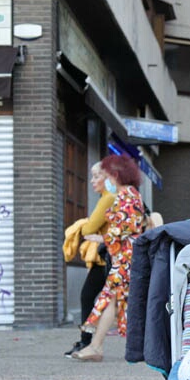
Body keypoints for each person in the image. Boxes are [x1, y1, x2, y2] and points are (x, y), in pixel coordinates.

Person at [71, 155, 148, 362]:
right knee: (115, 300)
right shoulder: (131, 194)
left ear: (114, 176)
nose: (103, 180)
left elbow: (126, 227)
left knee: (110, 299)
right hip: (125, 256)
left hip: (124, 256)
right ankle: (97, 346)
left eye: (104, 175)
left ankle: (96, 346)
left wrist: (102, 237)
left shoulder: (126, 196)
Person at [64, 162, 115, 358]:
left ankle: (88, 343)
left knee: (90, 298)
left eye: (96, 177)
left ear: (107, 177)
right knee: (107, 301)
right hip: (104, 258)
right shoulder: (107, 198)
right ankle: (89, 342)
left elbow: (88, 229)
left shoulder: (107, 199)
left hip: (104, 259)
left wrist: (84, 224)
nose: (92, 181)